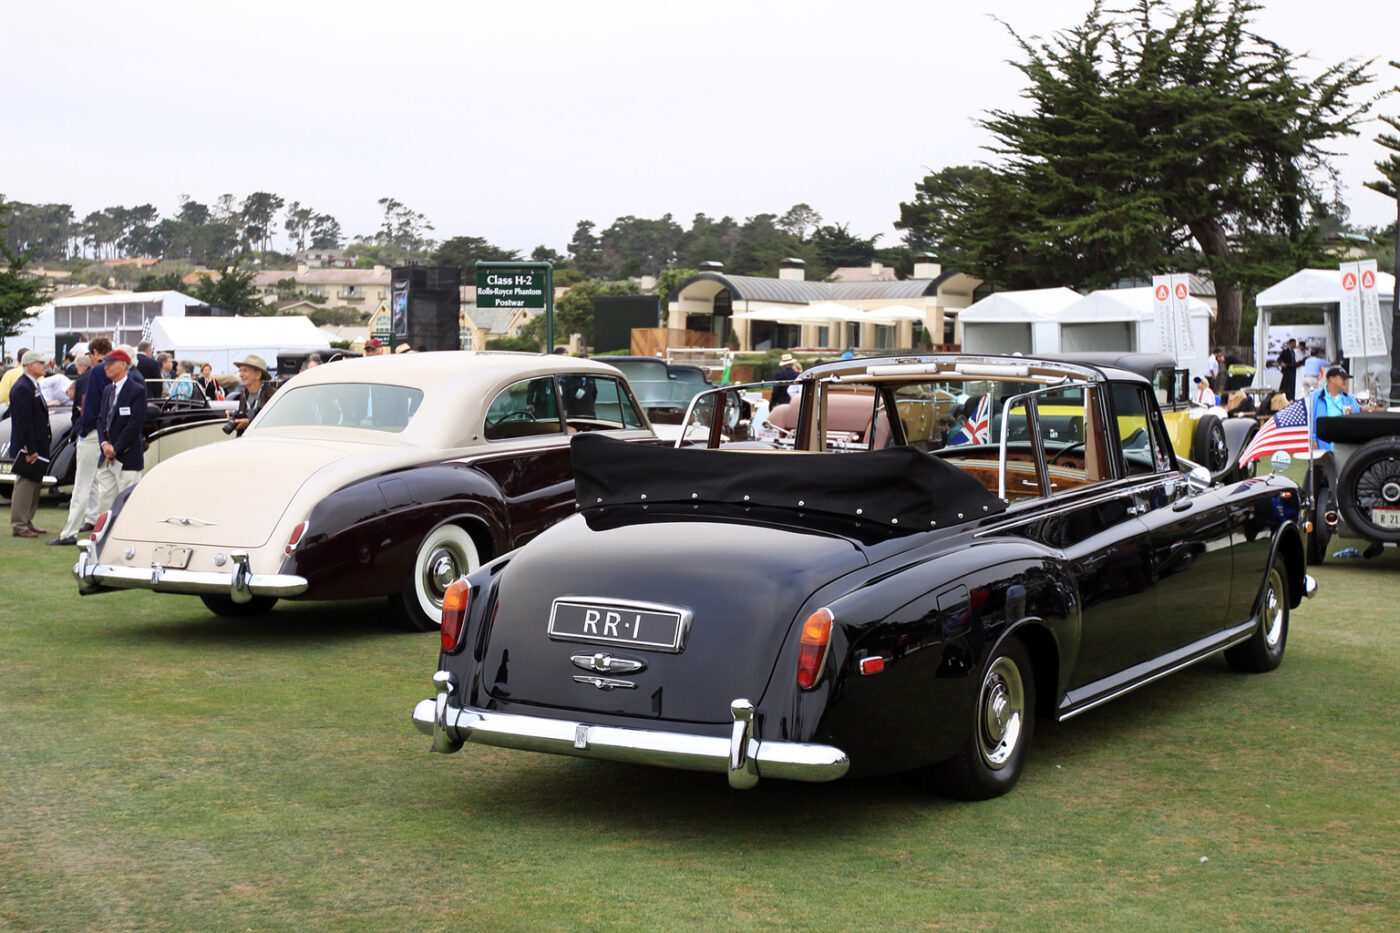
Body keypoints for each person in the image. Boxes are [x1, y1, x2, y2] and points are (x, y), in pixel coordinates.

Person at [52, 337, 112, 545]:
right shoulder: (126, 374)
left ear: (94, 352)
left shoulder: (92, 375)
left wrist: (83, 429)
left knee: (84, 483)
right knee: (105, 482)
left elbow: (86, 406)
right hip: (112, 434)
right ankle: (98, 522)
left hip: (93, 433)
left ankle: (70, 531)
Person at [93, 348, 149, 514]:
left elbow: (134, 425)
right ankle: (104, 535)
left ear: (124, 365)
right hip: (107, 455)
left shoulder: (136, 390)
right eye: (105, 364)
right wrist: (104, 444)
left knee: (127, 502)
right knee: (104, 500)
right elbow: (101, 419)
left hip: (127, 456)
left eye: (110, 364)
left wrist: (115, 449)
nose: (106, 367)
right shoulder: (108, 390)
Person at [8, 351, 53, 538]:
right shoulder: (22, 388)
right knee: (25, 485)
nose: (44, 365)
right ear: (30, 365)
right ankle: (19, 524)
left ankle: (27, 520)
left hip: (38, 444)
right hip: (29, 446)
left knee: (34, 484)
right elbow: (23, 422)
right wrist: (30, 449)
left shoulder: (32, 385)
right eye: (40, 363)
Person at [1311, 366, 1359, 452]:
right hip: (1321, 447)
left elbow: (1357, 422)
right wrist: (1313, 438)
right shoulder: (1315, 396)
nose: (1345, 381)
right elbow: (1309, 418)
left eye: (1346, 378)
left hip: (1343, 447)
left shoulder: (1349, 399)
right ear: (1331, 379)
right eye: (1342, 378)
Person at [229, 354, 275, 436]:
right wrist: (235, 419)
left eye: (245, 370)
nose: (241, 374)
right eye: (240, 371)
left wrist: (249, 423)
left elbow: (274, 422)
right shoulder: (244, 395)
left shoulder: (272, 395)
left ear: (258, 375)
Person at [0, 346, 31, 416]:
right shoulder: (36, 374)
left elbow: (1, 395)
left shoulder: (9, 374)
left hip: (13, 411)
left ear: (17, 359)